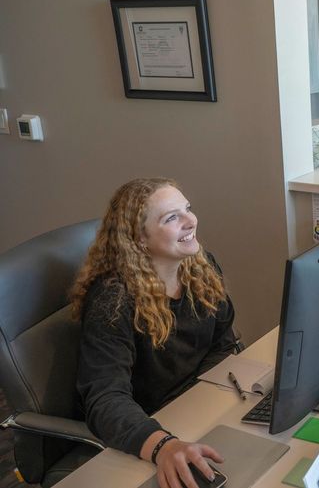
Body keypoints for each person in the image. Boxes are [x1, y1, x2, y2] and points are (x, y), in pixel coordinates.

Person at [72, 178, 238, 488]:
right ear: (139, 239)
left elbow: (223, 342)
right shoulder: (113, 300)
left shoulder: (200, 266)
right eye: (172, 217)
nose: (191, 220)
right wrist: (163, 445)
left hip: (196, 412)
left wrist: (212, 400)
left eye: (187, 209)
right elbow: (105, 398)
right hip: (146, 429)